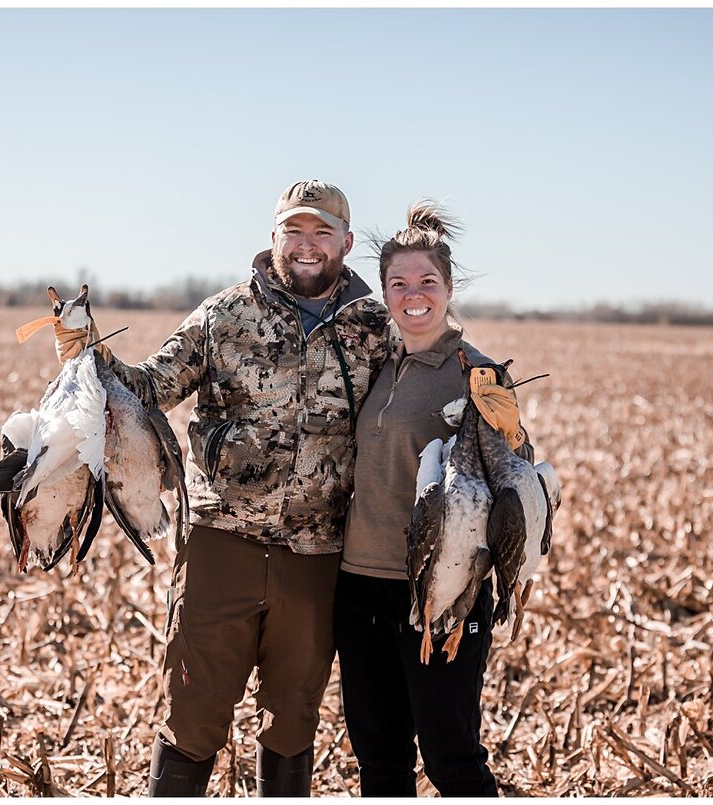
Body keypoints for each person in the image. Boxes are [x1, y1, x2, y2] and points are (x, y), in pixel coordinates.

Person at [54, 181, 389, 797]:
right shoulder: (225, 315)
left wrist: (483, 397)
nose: (307, 245)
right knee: (193, 716)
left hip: (319, 556)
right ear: (273, 238)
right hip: (220, 546)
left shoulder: (375, 329)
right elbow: (149, 387)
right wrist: (85, 355)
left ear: (345, 240)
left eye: (321, 232)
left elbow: (421, 394)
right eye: (295, 230)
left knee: (292, 723)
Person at [335, 201, 534, 796]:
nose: (412, 294)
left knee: (451, 757)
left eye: (426, 282)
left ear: (448, 289)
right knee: (379, 761)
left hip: (440, 592)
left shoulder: (479, 375)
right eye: (398, 283)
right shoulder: (375, 365)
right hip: (358, 585)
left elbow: (518, 486)